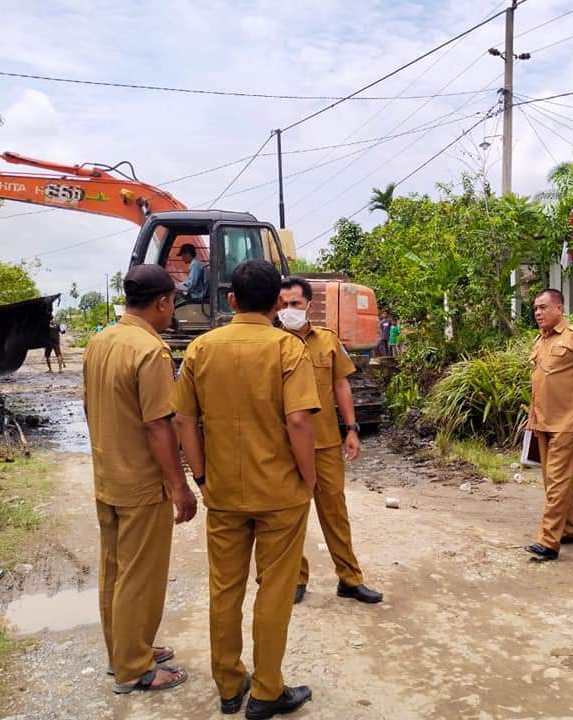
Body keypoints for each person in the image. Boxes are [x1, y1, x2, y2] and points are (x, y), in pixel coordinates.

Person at [173, 260, 319, 718]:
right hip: (280, 494)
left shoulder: (200, 349)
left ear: (231, 300)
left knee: (225, 589)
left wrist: (199, 477)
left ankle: (230, 685)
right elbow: (299, 420)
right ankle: (268, 691)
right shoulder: (288, 349)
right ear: (278, 302)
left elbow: (183, 419)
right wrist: (309, 479)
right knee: (275, 590)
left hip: (223, 493)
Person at [81, 264, 198, 695]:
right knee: (140, 575)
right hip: (141, 484)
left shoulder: (100, 341)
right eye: (173, 302)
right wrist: (179, 486)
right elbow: (158, 426)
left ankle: (126, 650)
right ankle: (134, 669)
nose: (173, 310)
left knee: (114, 570)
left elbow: (92, 405)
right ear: (162, 302)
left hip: (107, 476)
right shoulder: (151, 352)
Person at [278, 277, 383, 606]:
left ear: (309, 304)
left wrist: (352, 429)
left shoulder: (327, 341)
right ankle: (295, 577)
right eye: (282, 305)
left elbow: (341, 387)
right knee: (290, 515)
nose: (288, 310)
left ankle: (349, 579)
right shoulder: (271, 343)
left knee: (335, 512)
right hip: (284, 446)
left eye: (294, 304)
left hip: (323, 443)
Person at [524, 289, 573, 562]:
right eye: (535, 308)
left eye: (543, 307)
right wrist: (532, 418)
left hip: (568, 422)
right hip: (543, 422)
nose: (538, 312)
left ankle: (548, 542)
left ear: (559, 308)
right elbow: (539, 382)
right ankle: (569, 529)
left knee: (556, 481)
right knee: (553, 481)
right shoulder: (540, 341)